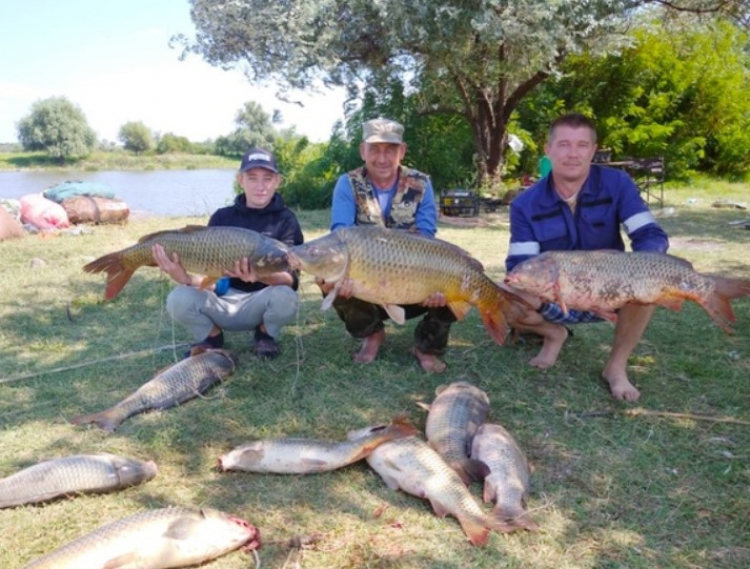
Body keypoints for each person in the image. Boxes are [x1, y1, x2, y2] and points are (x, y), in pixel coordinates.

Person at [503, 113, 669, 401]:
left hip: (613, 291)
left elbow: (650, 235)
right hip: (558, 293)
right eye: (564, 144)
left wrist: (632, 276)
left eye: (582, 145)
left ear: (593, 150)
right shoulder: (524, 204)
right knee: (503, 296)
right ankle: (553, 333)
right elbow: (518, 268)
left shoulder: (618, 184)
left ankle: (616, 368)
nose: (572, 154)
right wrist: (576, 295)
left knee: (647, 285)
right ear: (548, 150)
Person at [317, 117, 455, 373]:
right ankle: (372, 333)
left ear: (401, 151)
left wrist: (432, 284)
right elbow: (340, 235)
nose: (382, 158)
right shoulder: (348, 184)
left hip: (412, 282)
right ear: (362, 151)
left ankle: (427, 346)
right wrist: (342, 274)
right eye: (375, 150)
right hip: (366, 283)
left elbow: (427, 238)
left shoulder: (421, 184)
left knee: (454, 280)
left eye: (390, 150)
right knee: (328, 276)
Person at [152, 147, 304, 359]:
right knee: (178, 298)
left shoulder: (286, 220)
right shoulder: (222, 218)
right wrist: (185, 278)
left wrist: (261, 275)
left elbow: (291, 279)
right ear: (240, 179)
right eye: (252, 178)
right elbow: (214, 281)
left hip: (262, 301)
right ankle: (211, 337)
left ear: (277, 181)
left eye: (267, 178)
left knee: (286, 297)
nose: (260, 186)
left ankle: (264, 334)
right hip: (223, 300)